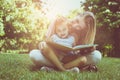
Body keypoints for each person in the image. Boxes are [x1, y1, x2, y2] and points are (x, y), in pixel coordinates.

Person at [29, 11, 102, 72]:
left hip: (70, 57)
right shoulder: (60, 21)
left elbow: (80, 53)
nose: (75, 25)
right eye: (77, 21)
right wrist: (42, 43)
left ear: (84, 29)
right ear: (77, 15)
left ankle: (55, 68)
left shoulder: (79, 35)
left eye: (79, 27)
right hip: (54, 56)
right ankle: (66, 68)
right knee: (34, 54)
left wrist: (89, 50)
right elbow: (48, 40)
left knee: (97, 55)